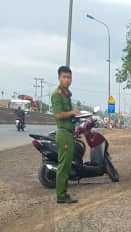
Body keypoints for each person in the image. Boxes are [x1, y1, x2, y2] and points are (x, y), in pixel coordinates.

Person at [51, 65, 81, 204]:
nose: (67, 80)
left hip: (68, 132)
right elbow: (58, 114)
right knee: (64, 165)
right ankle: (61, 196)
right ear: (59, 78)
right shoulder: (57, 94)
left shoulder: (67, 94)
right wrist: (72, 112)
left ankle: (63, 192)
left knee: (68, 165)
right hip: (63, 134)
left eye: (69, 77)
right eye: (64, 77)